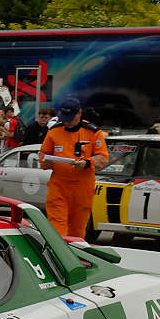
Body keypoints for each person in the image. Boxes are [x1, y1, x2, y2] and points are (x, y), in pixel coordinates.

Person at [38, 97, 107, 239]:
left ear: (79, 113)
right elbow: (43, 154)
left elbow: (102, 158)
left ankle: (74, 252)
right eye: (64, 118)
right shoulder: (54, 131)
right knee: (57, 226)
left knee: (77, 229)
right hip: (59, 187)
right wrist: (46, 162)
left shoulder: (93, 132)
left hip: (82, 189)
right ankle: (58, 251)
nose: (67, 122)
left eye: (70, 118)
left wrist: (86, 163)